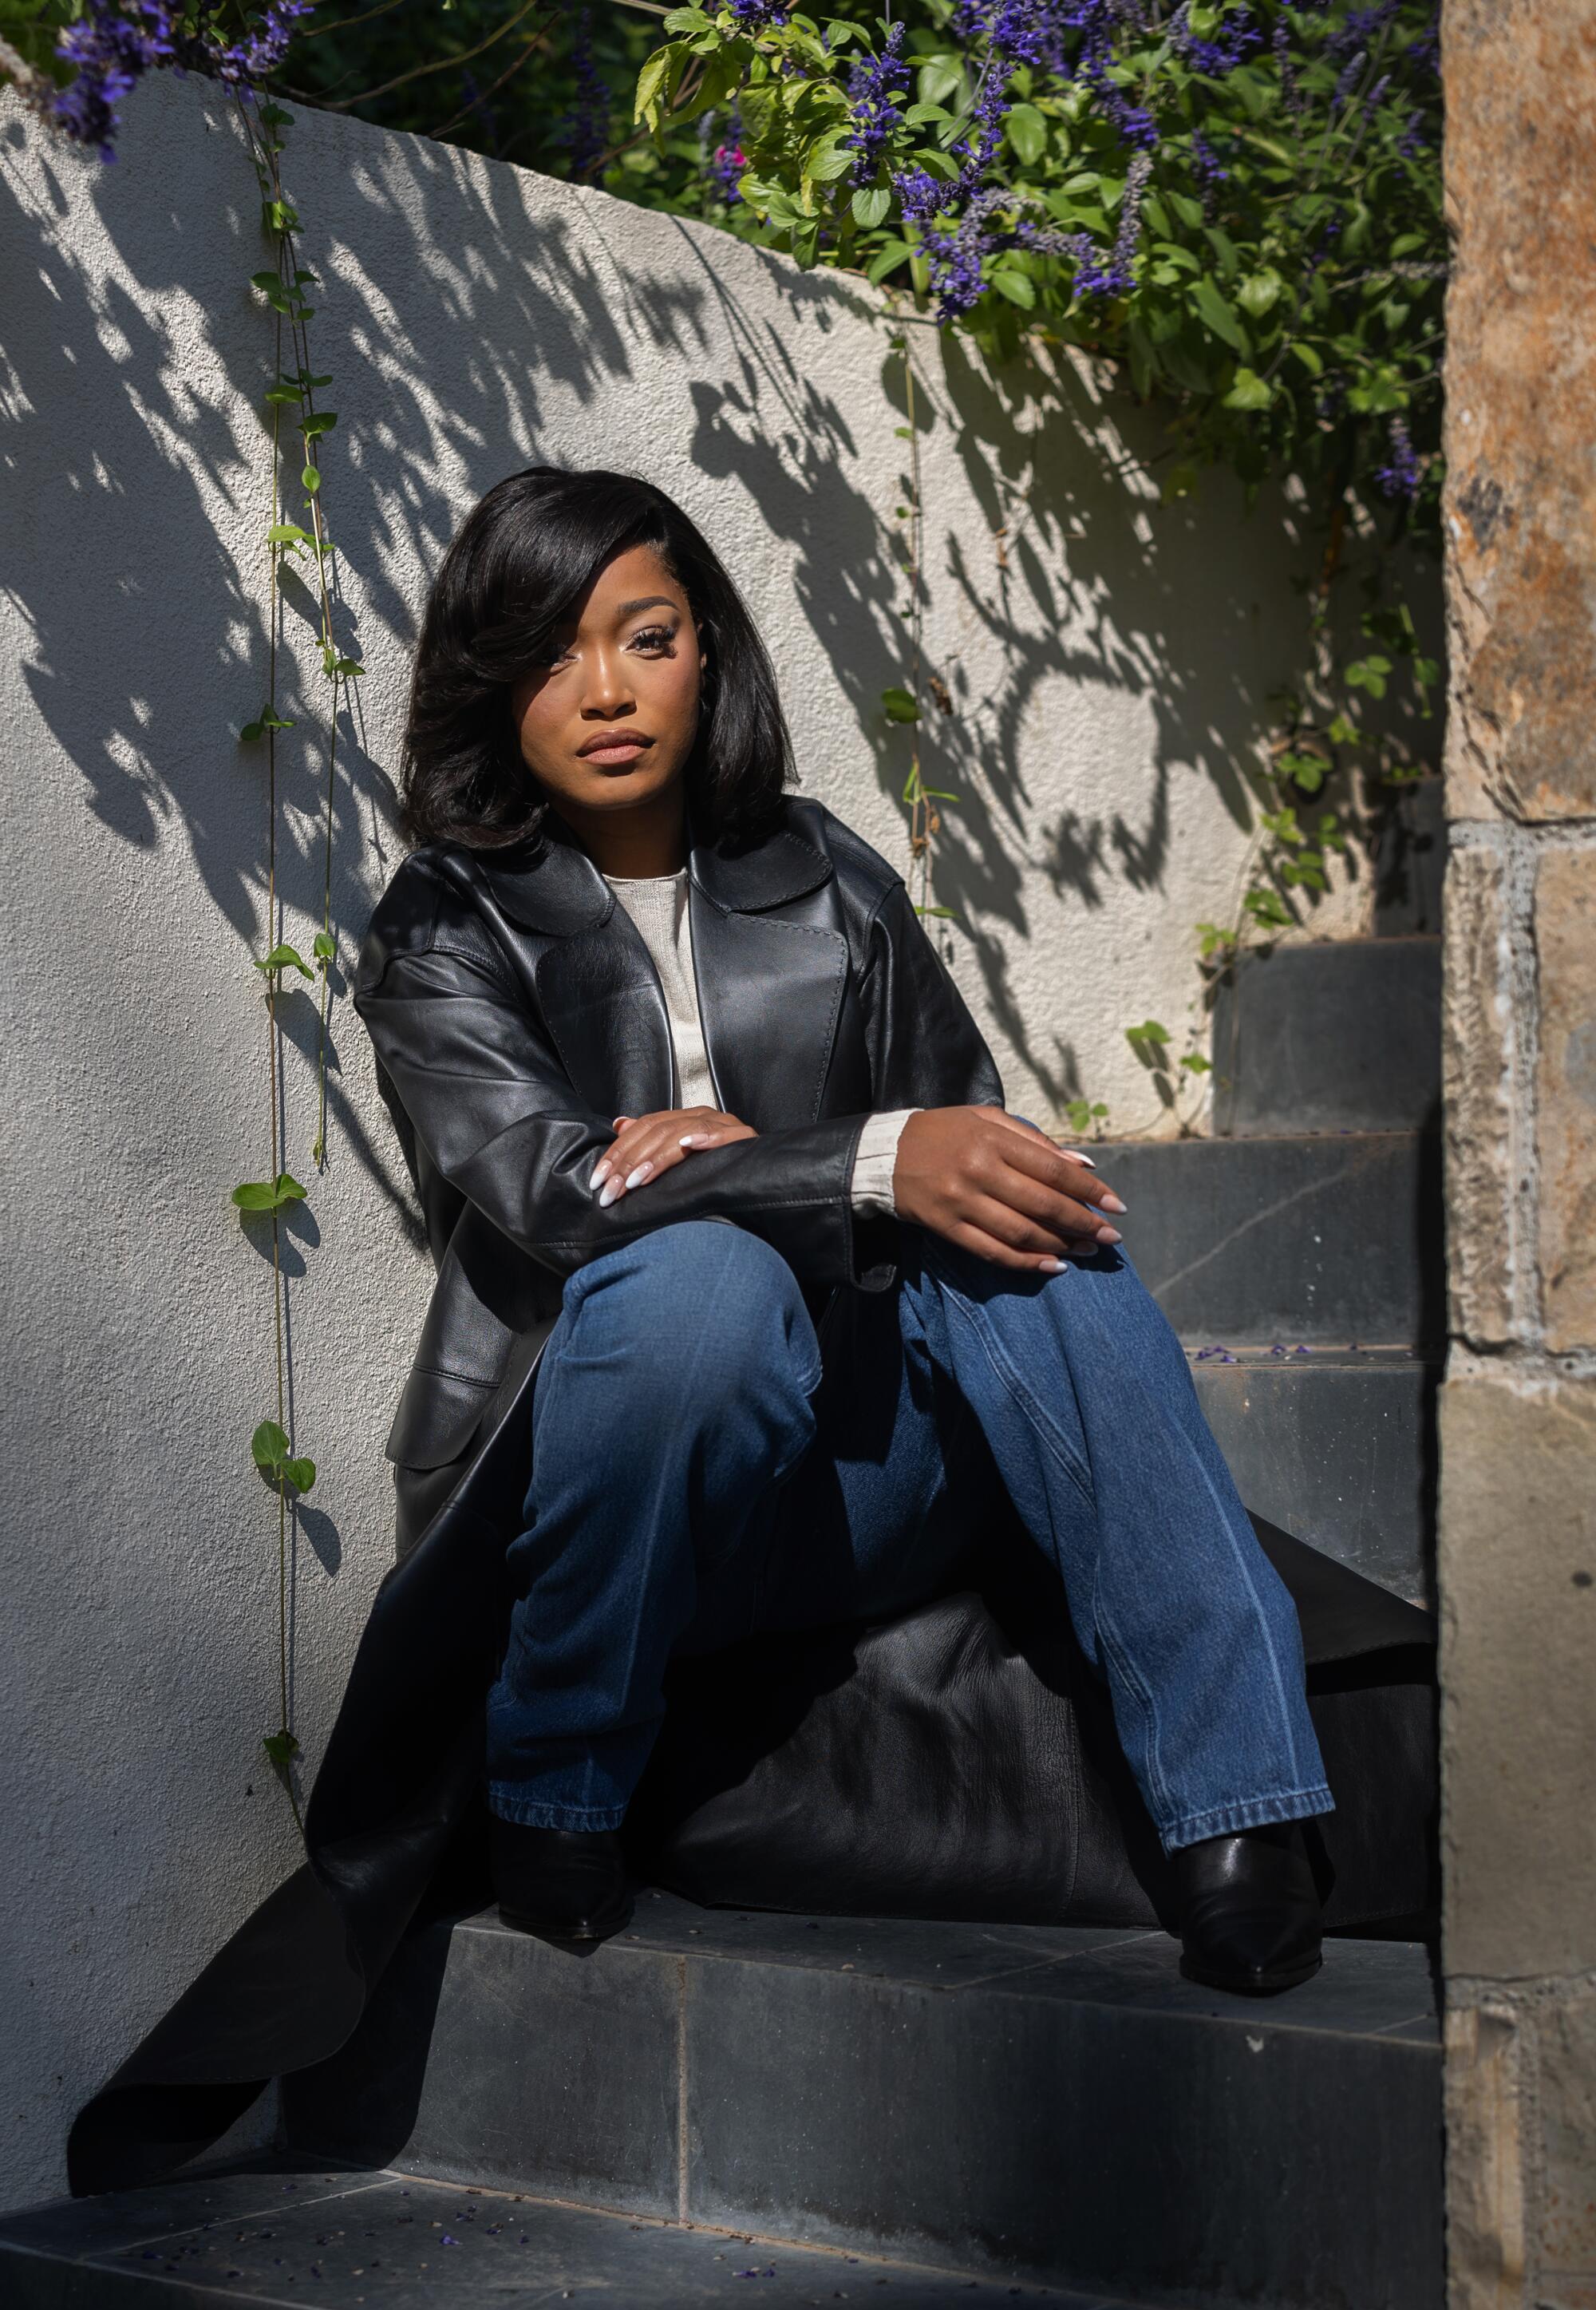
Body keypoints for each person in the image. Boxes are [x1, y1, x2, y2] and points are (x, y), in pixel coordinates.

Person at [353, 463, 1333, 1999]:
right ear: (490, 692)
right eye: (548, 654)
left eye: (645, 637)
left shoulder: (820, 872)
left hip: (856, 1482)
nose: (603, 691)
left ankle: (1240, 1810)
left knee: (1035, 1251)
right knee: (694, 1284)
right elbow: (557, 1191)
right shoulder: (441, 927)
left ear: (710, 655)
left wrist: (843, 1160)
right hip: (614, 1494)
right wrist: (853, 1161)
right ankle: (556, 1784)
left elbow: (970, 1155)